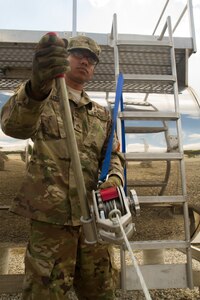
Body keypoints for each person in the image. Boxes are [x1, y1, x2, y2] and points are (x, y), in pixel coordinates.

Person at [0, 33, 125, 300]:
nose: (85, 61)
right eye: (79, 54)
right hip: (51, 223)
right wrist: (37, 86)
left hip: (96, 221)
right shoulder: (40, 98)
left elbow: (114, 156)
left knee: (101, 292)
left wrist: (115, 178)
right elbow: (15, 127)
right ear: (65, 58)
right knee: (45, 293)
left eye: (91, 59)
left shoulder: (102, 115)